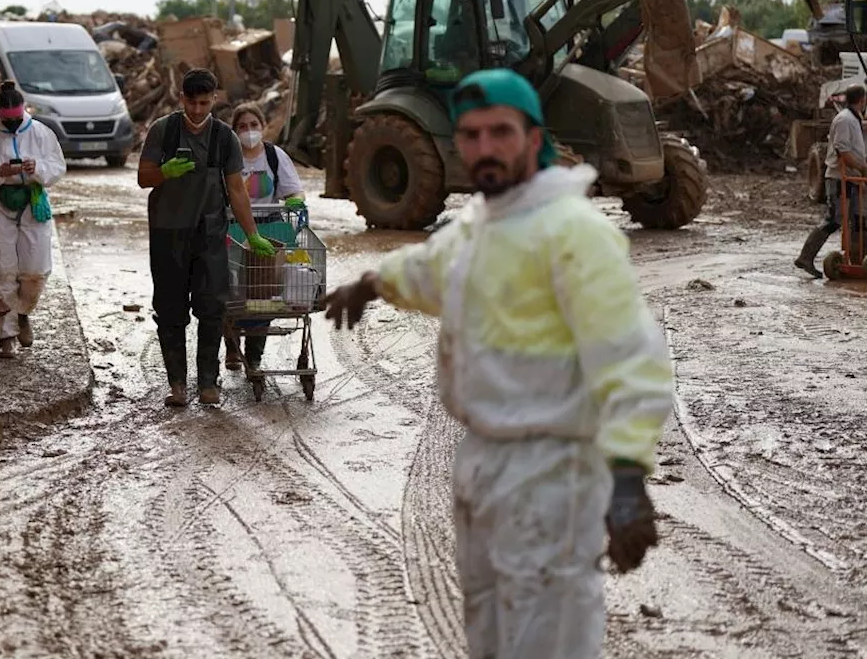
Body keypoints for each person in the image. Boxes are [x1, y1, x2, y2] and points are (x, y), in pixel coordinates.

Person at [323, 68, 673, 659]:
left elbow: (630, 360)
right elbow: (431, 269)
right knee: (488, 635)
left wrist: (627, 479)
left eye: (500, 132)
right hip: (482, 464)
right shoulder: (481, 226)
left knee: (546, 640)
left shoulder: (572, 231)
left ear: (535, 139)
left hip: (552, 472)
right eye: (471, 134)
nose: (485, 148)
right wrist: (373, 282)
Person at [137, 68, 275, 408]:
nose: (197, 110)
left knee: (212, 308)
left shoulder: (224, 138)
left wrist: (252, 233)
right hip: (168, 233)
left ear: (214, 99)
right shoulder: (164, 131)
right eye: (191, 102)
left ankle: (208, 384)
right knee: (170, 310)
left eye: (204, 103)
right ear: (181, 98)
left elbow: (237, 192)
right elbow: (143, 178)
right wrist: (163, 172)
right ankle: (178, 385)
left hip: (210, 233)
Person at [0, 82, 67, 355]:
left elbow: (58, 168)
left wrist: (36, 168)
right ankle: (6, 336)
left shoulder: (41, 133)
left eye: (17, 120)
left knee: (35, 269)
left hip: (32, 203)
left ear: (23, 112)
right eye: (7, 121)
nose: (13, 125)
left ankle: (23, 312)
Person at [222, 102, 306, 372]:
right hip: (235, 227)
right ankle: (232, 346)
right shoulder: (227, 158)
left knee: (264, 288)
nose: (249, 131)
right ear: (234, 131)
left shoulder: (274, 155)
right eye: (242, 127)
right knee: (233, 289)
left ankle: (254, 355)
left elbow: (294, 190)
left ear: (263, 127)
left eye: (254, 125)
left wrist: (295, 202)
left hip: (268, 227)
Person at [795, 83, 867, 277]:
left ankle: (857, 259)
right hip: (839, 178)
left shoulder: (854, 118)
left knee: (858, 219)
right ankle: (805, 257)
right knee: (834, 219)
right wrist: (862, 168)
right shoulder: (844, 120)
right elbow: (842, 150)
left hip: (852, 178)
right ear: (862, 100)